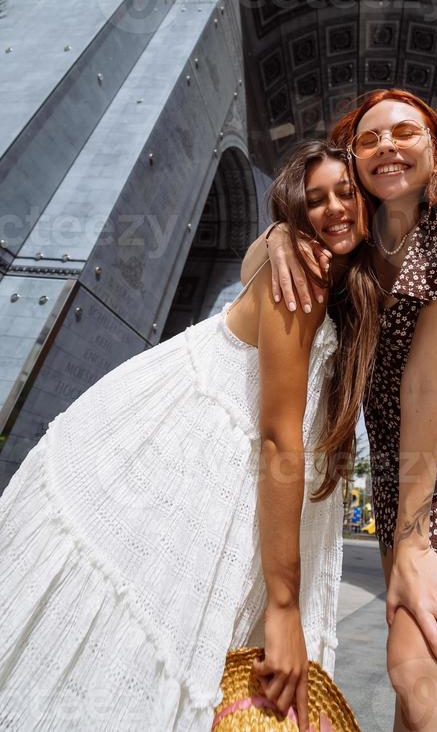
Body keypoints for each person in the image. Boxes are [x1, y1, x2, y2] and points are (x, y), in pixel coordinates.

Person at [0, 140, 371, 732]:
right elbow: (279, 439)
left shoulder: (337, 275)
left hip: (223, 457)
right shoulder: (302, 275)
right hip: (191, 456)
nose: (333, 209)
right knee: (161, 639)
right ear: (298, 214)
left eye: (346, 193)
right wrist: (284, 606)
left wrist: (274, 238)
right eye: (315, 200)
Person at [244, 90, 437, 732]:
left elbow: (424, 384)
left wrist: (412, 542)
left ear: (436, 149)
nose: (388, 146)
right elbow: (249, 274)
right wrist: (278, 238)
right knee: (429, 692)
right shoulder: (351, 243)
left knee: (419, 670)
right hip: (407, 478)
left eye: (406, 132)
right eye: (371, 139)